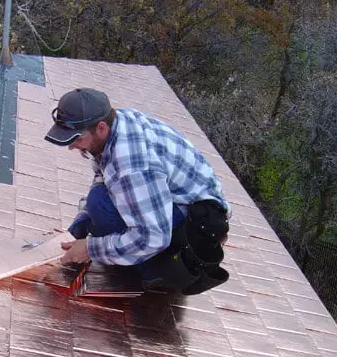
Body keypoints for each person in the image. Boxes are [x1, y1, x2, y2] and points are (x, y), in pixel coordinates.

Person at [45, 88, 231, 290]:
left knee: (101, 203)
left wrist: (91, 249)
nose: (72, 147)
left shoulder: (132, 165)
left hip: (194, 228)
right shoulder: (115, 123)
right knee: (98, 202)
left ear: (100, 128)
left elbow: (155, 237)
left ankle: (150, 271)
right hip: (178, 206)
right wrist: (82, 223)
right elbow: (103, 175)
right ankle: (128, 254)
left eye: (77, 139)